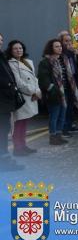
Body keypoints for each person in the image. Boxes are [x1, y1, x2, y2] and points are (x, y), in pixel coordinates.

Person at [38, 39, 78, 145]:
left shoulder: (64, 59)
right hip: (54, 93)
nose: (59, 48)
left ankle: (59, 135)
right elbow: (43, 78)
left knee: (62, 115)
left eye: (60, 46)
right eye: (56, 46)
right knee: (54, 115)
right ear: (51, 48)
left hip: (65, 91)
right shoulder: (45, 61)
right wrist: (52, 89)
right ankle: (53, 137)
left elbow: (69, 76)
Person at [7, 40, 41, 155]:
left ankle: (23, 145)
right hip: (22, 97)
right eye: (15, 49)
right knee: (18, 123)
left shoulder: (27, 62)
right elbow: (18, 83)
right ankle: (18, 148)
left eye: (20, 48)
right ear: (11, 51)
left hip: (31, 95)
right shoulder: (11, 64)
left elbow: (34, 78)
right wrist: (33, 92)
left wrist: (37, 91)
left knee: (25, 122)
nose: (18, 50)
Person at [0, 33, 24, 171]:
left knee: (5, 129)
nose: (0, 42)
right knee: (2, 130)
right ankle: (3, 161)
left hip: (5, 100)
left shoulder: (2, 56)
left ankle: (5, 158)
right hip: (1, 100)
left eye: (1, 40)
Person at [58, 31, 78, 134]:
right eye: (65, 41)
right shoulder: (61, 52)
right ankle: (64, 128)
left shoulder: (72, 52)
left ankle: (70, 124)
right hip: (65, 82)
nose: (68, 43)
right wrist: (69, 51)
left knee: (71, 104)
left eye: (69, 40)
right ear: (61, 42)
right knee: (65, 106)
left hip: (73, 81)